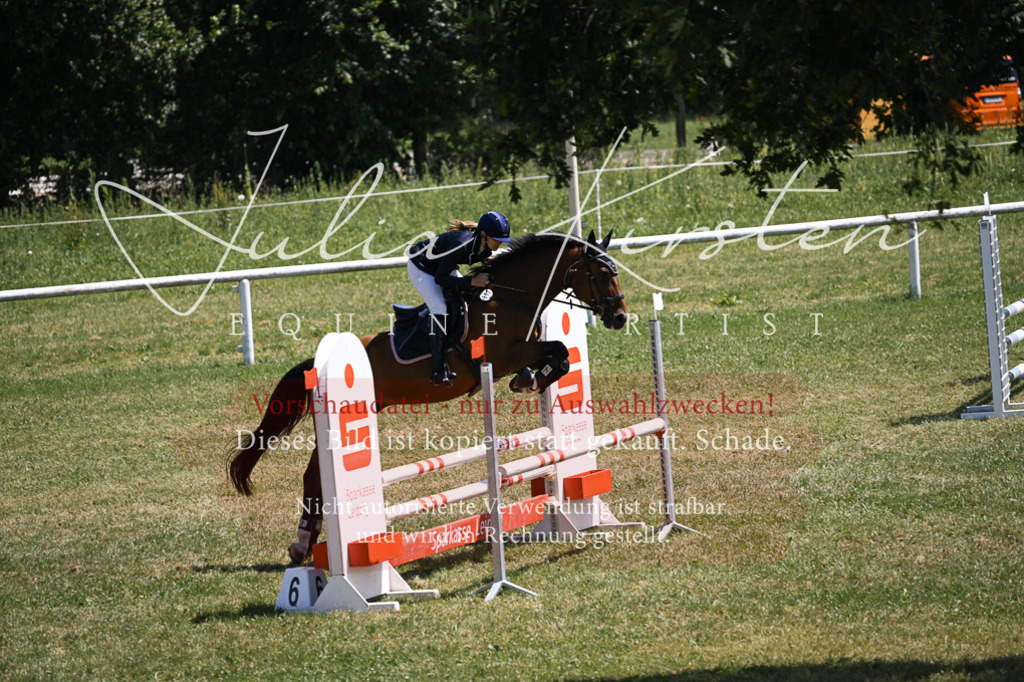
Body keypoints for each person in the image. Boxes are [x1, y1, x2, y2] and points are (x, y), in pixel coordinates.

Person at [407, 211, 512, 385]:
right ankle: (438, 369)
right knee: (439, 307)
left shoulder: (484, 244)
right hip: (422, 266)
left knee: (465, 297)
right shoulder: (461, 244)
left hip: (440, 267)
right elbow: (440, 279)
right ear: (484, 235)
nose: (499, 243)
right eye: (497, 239)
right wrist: (472, 281)